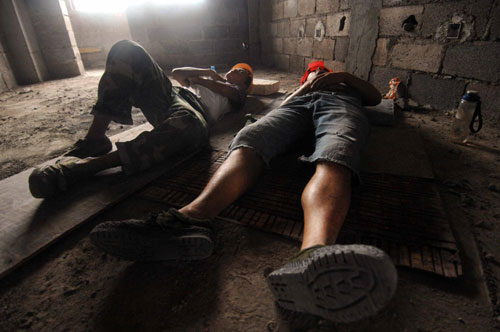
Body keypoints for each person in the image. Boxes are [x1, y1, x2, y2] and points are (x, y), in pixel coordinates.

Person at [89, 60, 398, 323]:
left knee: (336, 152)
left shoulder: (346, 87)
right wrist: (307, 86)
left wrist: (341, 78)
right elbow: (286, 105)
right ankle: (191, 219)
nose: (318, 73)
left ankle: (313, 256)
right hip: (297, 106)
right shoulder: (302, 87)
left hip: (340, 107)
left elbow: (373, 98)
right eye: (313, 72)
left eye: (321, 70)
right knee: (250, 137)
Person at [28, 40, 253, 199]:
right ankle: (95, 138)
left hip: (193, 111)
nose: (234, 70)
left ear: (246, 82)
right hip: (171, 96)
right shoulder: (211, 78)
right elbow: (176, 73)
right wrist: (207, 71)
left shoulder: (238, 93)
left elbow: (224, 90)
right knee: (127, 49)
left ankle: (88, 167)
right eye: (234, 68)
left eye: (240, 71)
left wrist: (203, 79)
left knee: (193, 129)